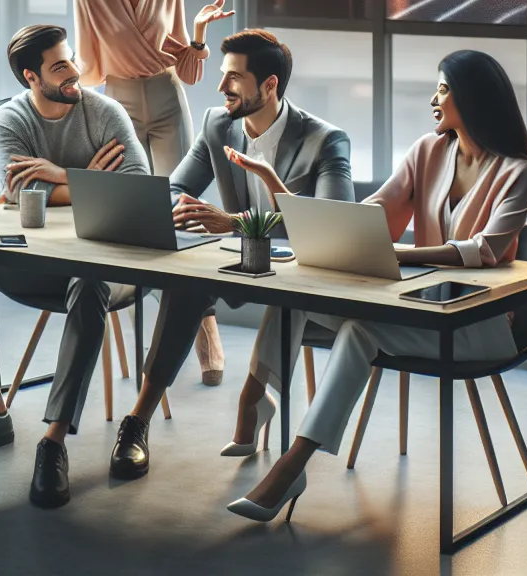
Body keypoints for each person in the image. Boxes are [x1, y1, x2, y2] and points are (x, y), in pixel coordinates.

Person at [225, 49, 527, 522]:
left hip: (479, 323)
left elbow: (489, 250)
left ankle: (294, 463)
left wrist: (402, 254)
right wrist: (290, 197)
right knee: (293, 297)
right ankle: (253, 402)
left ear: (473, 99)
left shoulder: (519, 172)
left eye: (443, 89)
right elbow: (374, 215)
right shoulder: (428, 151)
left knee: (360, 331)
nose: (434, 100)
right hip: (415, 309)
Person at [107, 29, 354, 481]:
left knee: (247, 291)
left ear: (270, 85)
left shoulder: (326, 141)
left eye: (234, 78)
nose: (221, 88)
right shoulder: (217, 124)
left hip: (298, 278)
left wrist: (234, 222)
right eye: (224, 76)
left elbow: (329, 226)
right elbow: (177, 187)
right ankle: (137, 422)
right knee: (184, 287)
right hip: (235, 266)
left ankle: (255, 395)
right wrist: (182, 208)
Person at [0, 24, 146, 509]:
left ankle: (52, 441)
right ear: (31, 77)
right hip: (43, 264)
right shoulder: (10, 121)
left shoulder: (104, 111)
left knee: (88, 279)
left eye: (71, 60)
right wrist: (92, 177)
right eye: (59, 67)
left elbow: (135, 186)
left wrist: (59, 176)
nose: (74, 73)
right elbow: (20, 193)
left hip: (107, 267)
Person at [74, 0, 234, 380]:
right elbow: (90, 69)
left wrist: (199, 35)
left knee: (179, 209)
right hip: (117, 100)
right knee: (134, 214)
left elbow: (186, 71)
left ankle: (205, 330)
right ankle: (143, 324)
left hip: (167, 99)